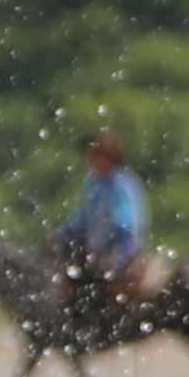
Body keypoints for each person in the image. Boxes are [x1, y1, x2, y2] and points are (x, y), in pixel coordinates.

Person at [56, 126, 150, 300]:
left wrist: (108, 245)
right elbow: (82, 217)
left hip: (122, 250)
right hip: (98, 249)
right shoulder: (93, 183)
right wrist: (61, 234)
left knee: (94, 279)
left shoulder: (122, 184)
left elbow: (125, 222)